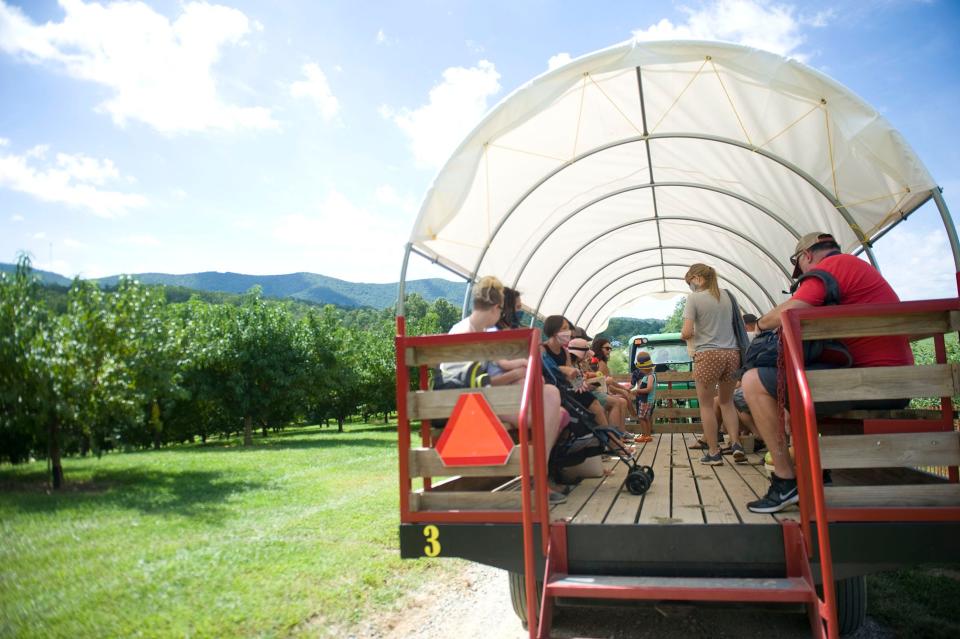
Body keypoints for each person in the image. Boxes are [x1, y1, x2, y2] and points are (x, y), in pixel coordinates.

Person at [742, 232, 914, 513]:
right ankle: (814, 473)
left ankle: (785, 481)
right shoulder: (857, 269)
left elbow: (790, 310)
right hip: (891, 379)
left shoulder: (830, 268)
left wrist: (760, 325)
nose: (803, 275)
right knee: (795, 386)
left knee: (753, 381)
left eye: (801, 268)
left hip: (869, 381)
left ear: (808, 255)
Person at [444, 276, 567, 502]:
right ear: (495, 307)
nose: (502, 315)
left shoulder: (476, 330)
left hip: (481, 398)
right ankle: (538, 477)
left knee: (551, 395)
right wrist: (519, 373)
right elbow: (476, 385)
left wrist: (520, 373)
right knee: (550, 410)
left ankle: (537, 476)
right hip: (469, 405)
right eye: (502, 310)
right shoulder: (469, 333)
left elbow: (487, 376)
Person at [680, 264, 746, 465]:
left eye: (689, 281)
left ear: (697, 278)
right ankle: (735, 444)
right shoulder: (727, 295)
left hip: (708, 354)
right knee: (726, 402)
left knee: (707, 405)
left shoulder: (694, 298)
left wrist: (688, 335)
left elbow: (686, 332)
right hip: (732, 354)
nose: (690, 285)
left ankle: (714, 452)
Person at [591, 337, 638, 419]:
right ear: (599, 348)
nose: (609, 351)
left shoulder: (597, 362)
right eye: (607, 348)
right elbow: (606, 383)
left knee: (623, 399)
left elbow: (608, 382)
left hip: (599, 392)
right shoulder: (601, 363)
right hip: (599, 394)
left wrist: (622, 389)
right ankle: (618, 429)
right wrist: (622, 390)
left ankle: (621, 429)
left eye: (610, 349)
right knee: (622, 400)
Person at [629, 351, 656, 443]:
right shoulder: (648, 376)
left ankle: (645, 435)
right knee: (646, 418)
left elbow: (649, 389)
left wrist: (637, 391)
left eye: (641, 368)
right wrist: (637, 392)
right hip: (644, 399)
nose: (640, 370)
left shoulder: (650, 377)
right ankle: (647, 435)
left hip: (646, 400)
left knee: (642, 418)